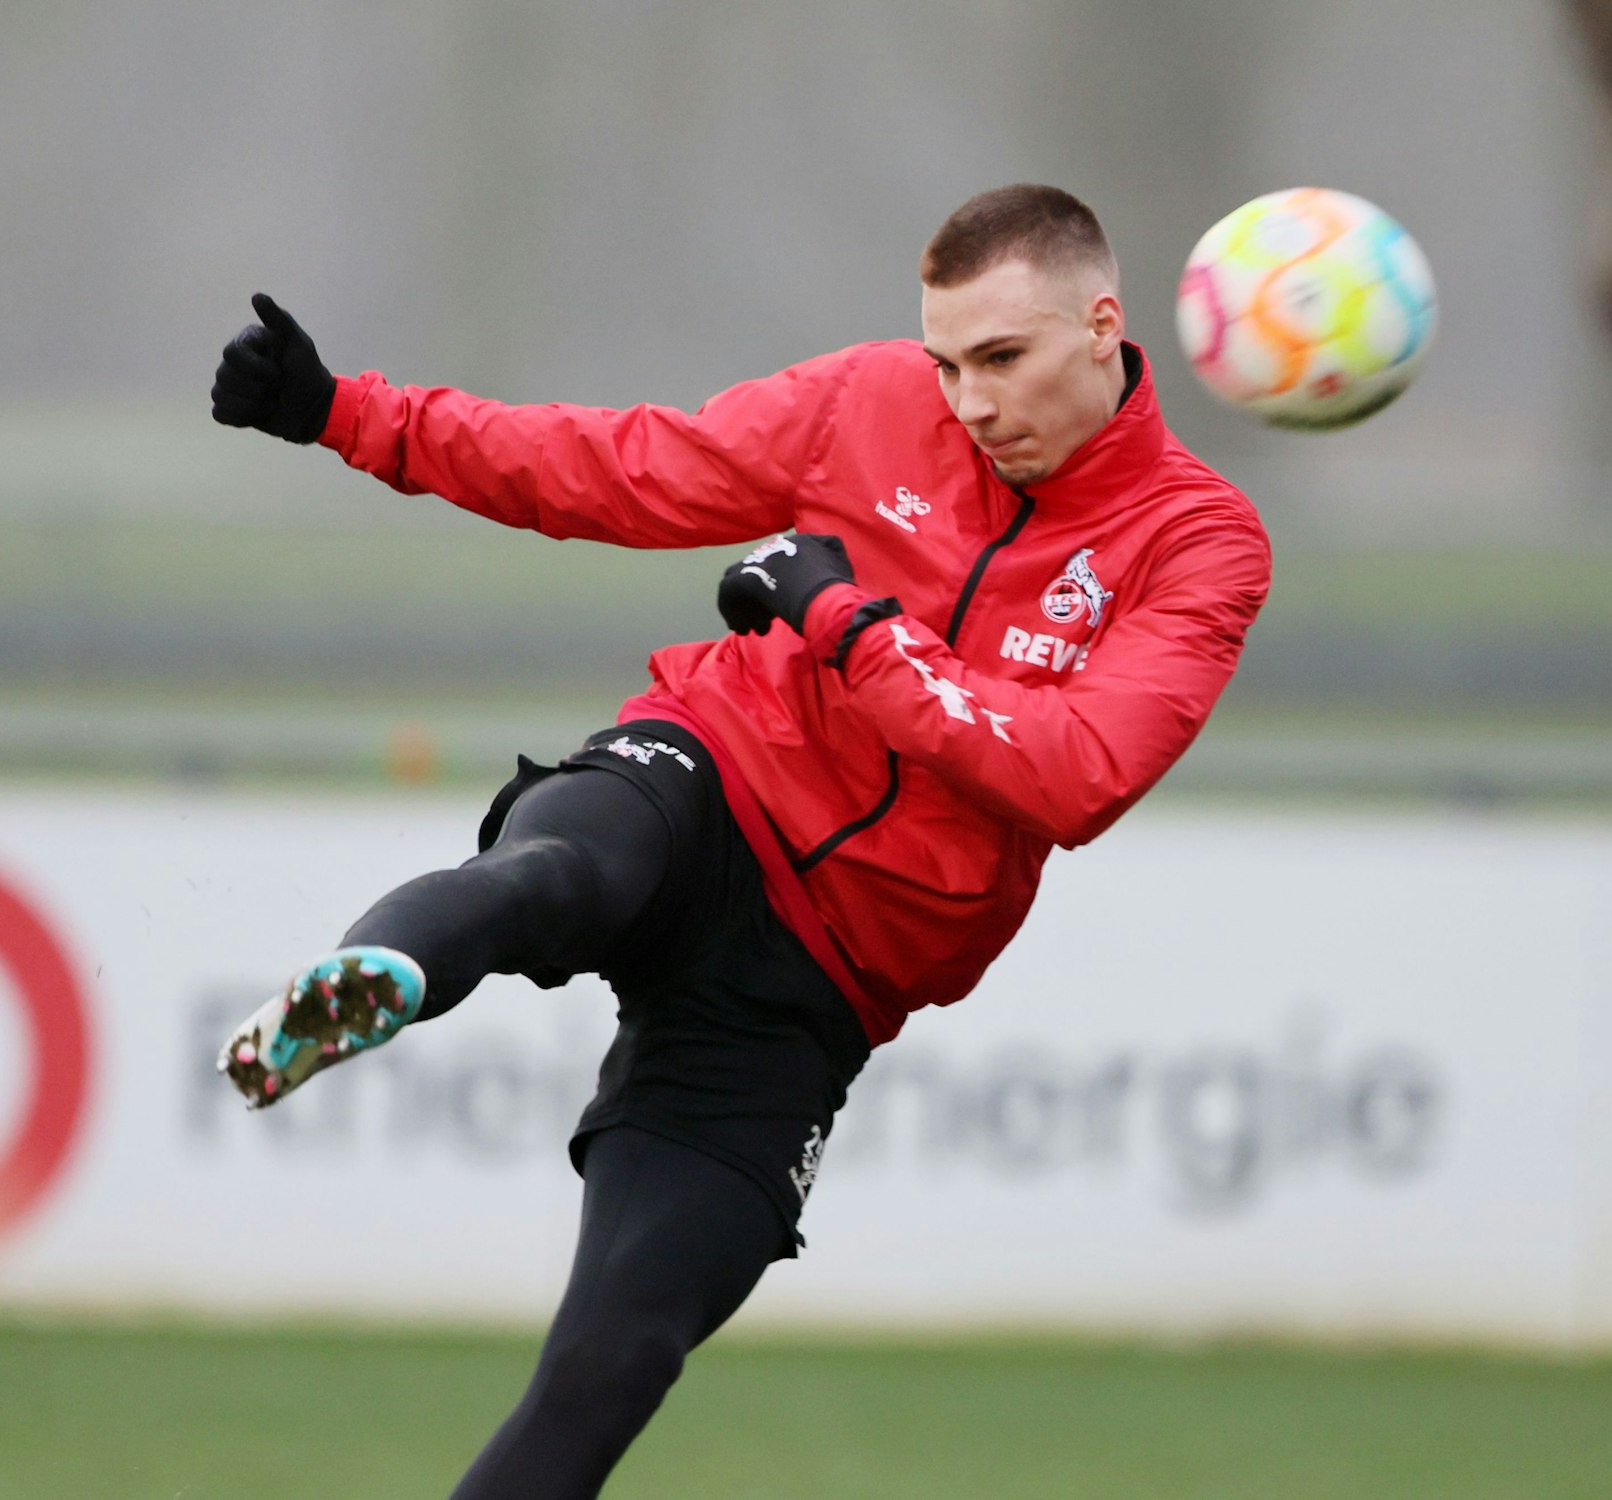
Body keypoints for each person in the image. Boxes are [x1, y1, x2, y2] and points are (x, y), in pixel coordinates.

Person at [208, 183, 1270, 1498]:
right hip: (710, 780)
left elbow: (1073, 776)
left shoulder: (1198, 541)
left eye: (1002, 359)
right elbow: (619, 466)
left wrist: (844, 622)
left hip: (821, 983)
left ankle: (392, 978)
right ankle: (363, 984)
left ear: (1103, 327)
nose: (971, 403)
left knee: (614, 1361)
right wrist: (346, 414)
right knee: (556, 878)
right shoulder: (870, 400)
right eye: (947, 364)